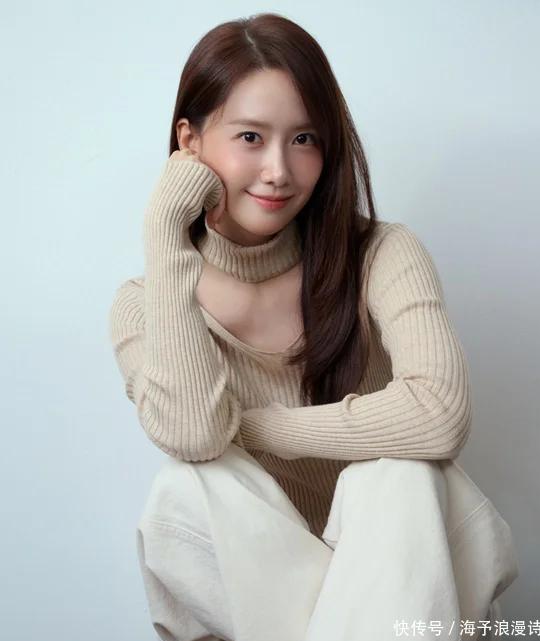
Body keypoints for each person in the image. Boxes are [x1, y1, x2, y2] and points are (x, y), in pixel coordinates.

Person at [109, 12, 519, 641]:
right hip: (268, 597)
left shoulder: (381, 254)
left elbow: (440, 413)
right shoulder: (143, 305)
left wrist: (257, 427)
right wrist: (164, 232)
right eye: (251, 137)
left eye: (304, 139)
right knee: (188, 485)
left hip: (410, 575)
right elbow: (193, 435)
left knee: (398, 474)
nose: (279, 169)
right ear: (188, 142)